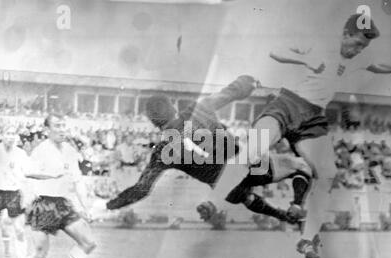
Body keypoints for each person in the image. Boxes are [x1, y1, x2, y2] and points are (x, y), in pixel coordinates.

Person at [200, 13, 391, 258]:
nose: (358, 50)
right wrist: (304, 60)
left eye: (364, 47)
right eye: (357, 44)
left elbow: (379, 66)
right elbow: (276, 51)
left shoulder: (355, 59)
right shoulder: (320, 46)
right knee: (252, 152)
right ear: (346, 34)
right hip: (287, 105)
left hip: (312, 118)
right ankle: (212, 202)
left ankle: (307, 240)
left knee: (328, 173)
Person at [106, 76, 312, 226]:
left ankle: (282, 216)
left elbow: (141, 189)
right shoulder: (199, 109)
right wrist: (249, 82)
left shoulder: (161, 152)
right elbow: (230, 93)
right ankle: (296, 205)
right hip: (250, 168)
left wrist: (111, 204)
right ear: (174, 108)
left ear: (153, 123)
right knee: (300, 165)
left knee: (245, 197)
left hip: (225, 188)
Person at [16, 113, 97, 258]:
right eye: (57, 126)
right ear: (47, 130)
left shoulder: (69, 150)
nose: (62, 130)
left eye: (63, 126)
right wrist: (50, 175)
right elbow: (28, 172)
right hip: (44, 204)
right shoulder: (41, 150)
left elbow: (78, 181)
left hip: (63, 205)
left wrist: (87, 208)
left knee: (89, 242)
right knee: (39, 253)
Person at [0, 126, 30, 258]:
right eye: (8, 133)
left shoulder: (21, 154)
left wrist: (25, 193)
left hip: (13, 193)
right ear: (2, 135)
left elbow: (26, 175)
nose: (10, 136)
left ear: (16, 137)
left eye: (13, 134)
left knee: (19, 230)